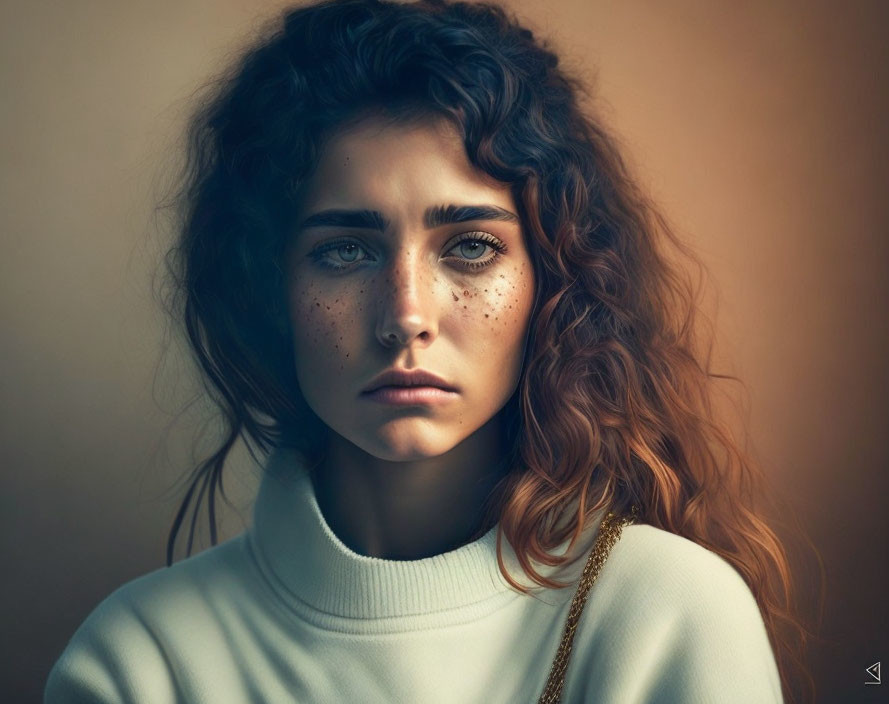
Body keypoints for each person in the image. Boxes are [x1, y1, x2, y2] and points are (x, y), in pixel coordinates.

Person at [45, 0, 811, 702]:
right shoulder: (141, 662)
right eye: (345, 252)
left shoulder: (666, 616)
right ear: (264, 289)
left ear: (555, 279)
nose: (406, 315)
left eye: (471, 247)